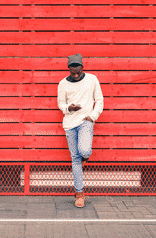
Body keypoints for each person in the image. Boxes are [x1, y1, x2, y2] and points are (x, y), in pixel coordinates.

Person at [57, 54, 104, 208]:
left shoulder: (92, 79)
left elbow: (99, 100)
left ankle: (86, 156)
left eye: (78, 72)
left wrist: (92, 116)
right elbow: (60, 103)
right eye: (73, 73)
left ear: (82, 67)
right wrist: (68, 108)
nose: (76, 75)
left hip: (85, 121)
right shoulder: (63, 83)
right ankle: (79, 193)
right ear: (69, 70)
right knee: (75, 159)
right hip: (70, 123)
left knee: (84, 150)